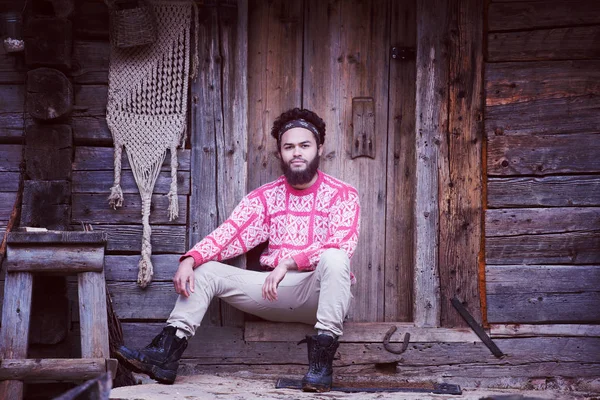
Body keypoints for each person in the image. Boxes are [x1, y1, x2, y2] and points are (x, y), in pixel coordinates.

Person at [115, 108, 361, 392]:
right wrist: (191, 258)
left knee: (335, 257)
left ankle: (320, 368)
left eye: (304, 145)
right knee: (206, 271)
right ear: (280, 152)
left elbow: (342, 243)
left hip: (321, 295)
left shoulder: (343, 194)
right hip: (274, 293)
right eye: (288, 146)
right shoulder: (266, 197)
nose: (296, 153)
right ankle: (166, 355)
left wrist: (289, 263)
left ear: (319, 148)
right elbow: (230, 234)